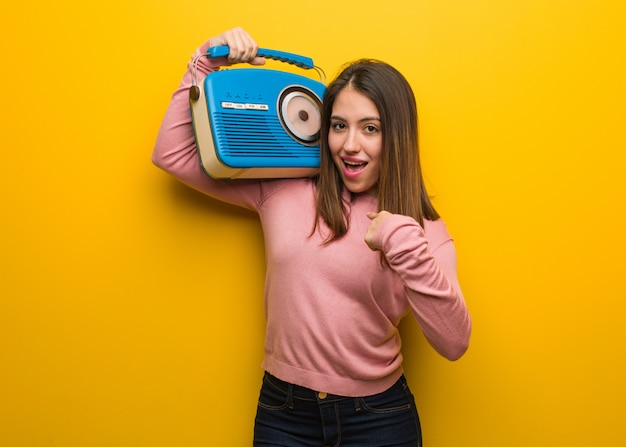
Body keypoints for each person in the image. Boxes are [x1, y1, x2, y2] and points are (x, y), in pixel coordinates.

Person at [153, 26, 471, 447]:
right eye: (339, 125)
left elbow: (454, 342)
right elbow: (172, 154)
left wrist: (404, 247)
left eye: (370, 128)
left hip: (379, 419)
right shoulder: (283, 188)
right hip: (285, 413)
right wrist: (202, 65)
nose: (350, 145)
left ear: (397, 136)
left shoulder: (424, 230)